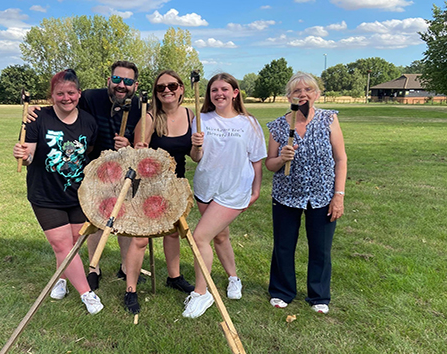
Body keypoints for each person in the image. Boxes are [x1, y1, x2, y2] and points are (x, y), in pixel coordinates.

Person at [27, 61, 145, 291]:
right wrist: (36, 111)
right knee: (95, 221)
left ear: (135, 85)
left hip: (125, 170)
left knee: (124, 220)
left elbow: (142, 138)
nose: (122, 85)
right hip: (93, 170)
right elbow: (66, 109)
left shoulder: (139, 105)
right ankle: (94, 268)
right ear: (109, 81)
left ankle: (125, 266)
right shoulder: (90, 97)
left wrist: (128, 144)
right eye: (118, 79)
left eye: (128, 81)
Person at [12, 69, 103, 314]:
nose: (66, 98)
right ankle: (87, 293)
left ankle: (60, 278)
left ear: (79, 94)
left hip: (76, 194)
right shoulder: (37, 118)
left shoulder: (89, 121)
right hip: (45, 194)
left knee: (73, 243)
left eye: (71, 92)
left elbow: (89, 153)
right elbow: (29, 154)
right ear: (52, 95)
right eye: (60, 93)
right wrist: (24, 155)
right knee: (62, 245)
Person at [182, 73, 267, 319]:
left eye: (224, 89)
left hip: (234, 189)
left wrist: (256, 188)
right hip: (206, 187)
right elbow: (196, 158)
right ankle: (233, 278)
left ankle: (201, 293)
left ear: (235, 92)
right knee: (220, 235)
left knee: (199, 237)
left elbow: (256, 160)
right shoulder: (202, 119)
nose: (219, 93)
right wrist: (196, 145)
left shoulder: (249, 123)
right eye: (214, 90)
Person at [265, 71, 347, 314]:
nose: (303, 94)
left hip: (321, 195)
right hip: (286, 195)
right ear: (288, 96)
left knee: (321, 247)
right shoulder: (279, 126)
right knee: (283, 245)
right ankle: (282, 291)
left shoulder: (328, 119)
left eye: (308, 90)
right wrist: (282, 158)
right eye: (297, 91)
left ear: (317, 94)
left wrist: (338, 195)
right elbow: (269, 164)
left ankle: (318, 295)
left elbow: (340, 159)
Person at [122, 70, 195, 314]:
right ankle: (130, 289)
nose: (167, 90)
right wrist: (141, 148)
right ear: (155, 92)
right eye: (161, 87)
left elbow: (194, 155)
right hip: (149, 185)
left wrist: (198, 147)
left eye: (172, 85)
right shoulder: (150, 117)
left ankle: (173, 277)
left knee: (173, 233)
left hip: (175, 184)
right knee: (141, 238)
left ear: (181, 88)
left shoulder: (190, 115)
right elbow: (135, 154)